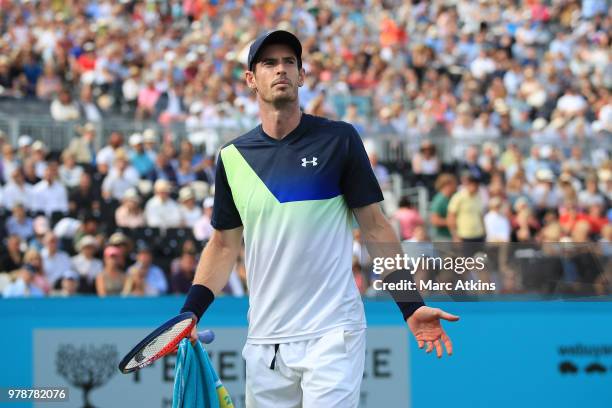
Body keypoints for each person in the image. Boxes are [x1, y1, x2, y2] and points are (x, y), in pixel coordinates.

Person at [179, 31, 458, 408]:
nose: (280, 69)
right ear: (250, 79)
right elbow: (224, 244)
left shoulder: (339, 140)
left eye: (288, 62)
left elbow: (375, 226)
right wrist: (189, 314)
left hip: (333, 332)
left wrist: (410, 303)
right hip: (266, 341)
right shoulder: (232, 157)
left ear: (302, 75)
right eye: (268, 63)